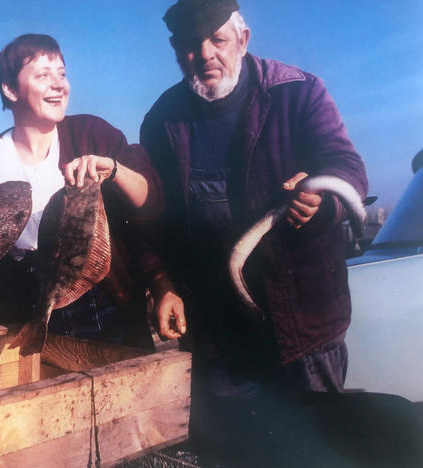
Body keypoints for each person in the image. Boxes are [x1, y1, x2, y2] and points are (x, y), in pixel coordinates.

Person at [139, 0, 368, 464]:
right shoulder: (160, 120)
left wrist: (319, 205)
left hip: (304, 327)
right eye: (189, 45)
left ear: (243, 40)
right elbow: (152, 220)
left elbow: (347, 170)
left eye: (218, 40)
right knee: (235, 452)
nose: (204, 54)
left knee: (315, 451)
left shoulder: (299, 93)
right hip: (220, 335)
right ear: (174, 50)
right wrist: (161, 283)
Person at [0, 33, 162, 349]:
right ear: (10, 89)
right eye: (43, 75)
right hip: (18, 306)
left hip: (102, 302)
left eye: (62, 74)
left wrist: (115, 171)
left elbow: (150, 205)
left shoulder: (93, 134)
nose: (59, 84)